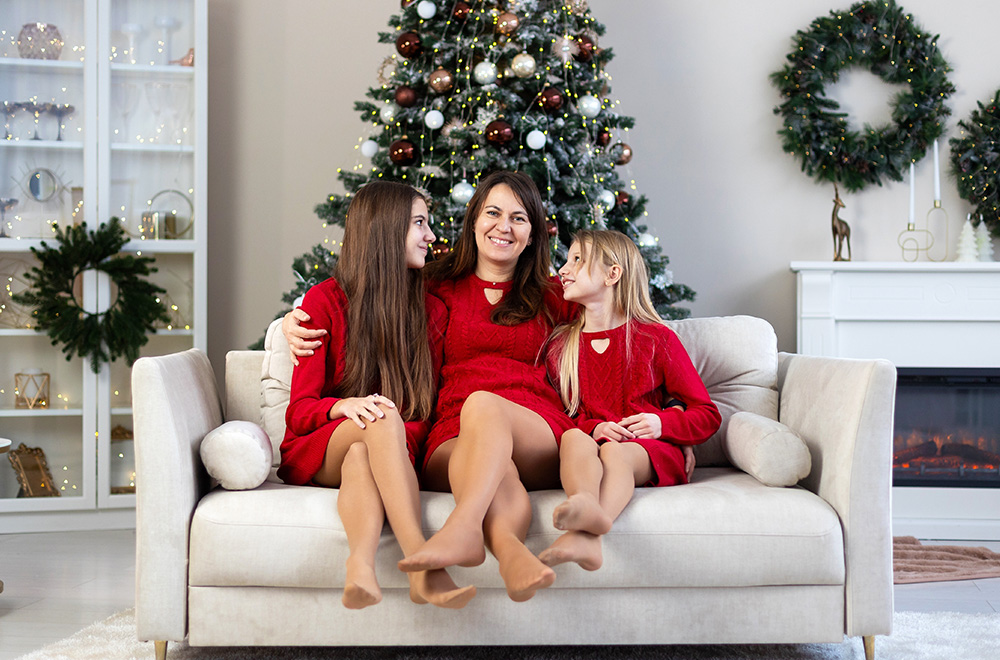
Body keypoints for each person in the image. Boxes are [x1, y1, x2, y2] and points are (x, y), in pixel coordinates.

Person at [285, 170, 576, 602]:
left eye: (519, 218)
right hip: (403, 432)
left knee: (405, 438)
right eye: (493, 213)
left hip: (520, 426)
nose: (431, 235)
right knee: (402, 429)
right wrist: (288, 326)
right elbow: (302, 405)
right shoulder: (431, 289)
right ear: (474, 221)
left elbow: (617, 324)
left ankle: (396, 562)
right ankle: (437, 561)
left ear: (534, 234)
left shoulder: (439, 302)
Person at [277, 180, 475, 610]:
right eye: (419, 223)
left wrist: (394, 439)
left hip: (393, 447)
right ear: (387, 228)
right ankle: (421, 563)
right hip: (322, 445)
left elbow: (425, 411)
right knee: (378, 420)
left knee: (363, 455)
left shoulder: (432, 308)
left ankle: (360, 567)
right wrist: (343, 406)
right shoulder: (324, 301)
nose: (431, 235)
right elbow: (299, 413)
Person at [537, 230, 721, 571]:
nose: (563, 269)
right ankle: (584, 504)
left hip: (649, 449)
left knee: (615, 452)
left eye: (577, 259)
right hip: (594, 443)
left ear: (612, 274)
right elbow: (561, 416)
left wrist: (662, 423)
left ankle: (589, 535)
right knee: (574, 437)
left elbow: (707, 413)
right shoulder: (561, 346)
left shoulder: (655, 338)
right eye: (567, 260)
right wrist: (594, 428)